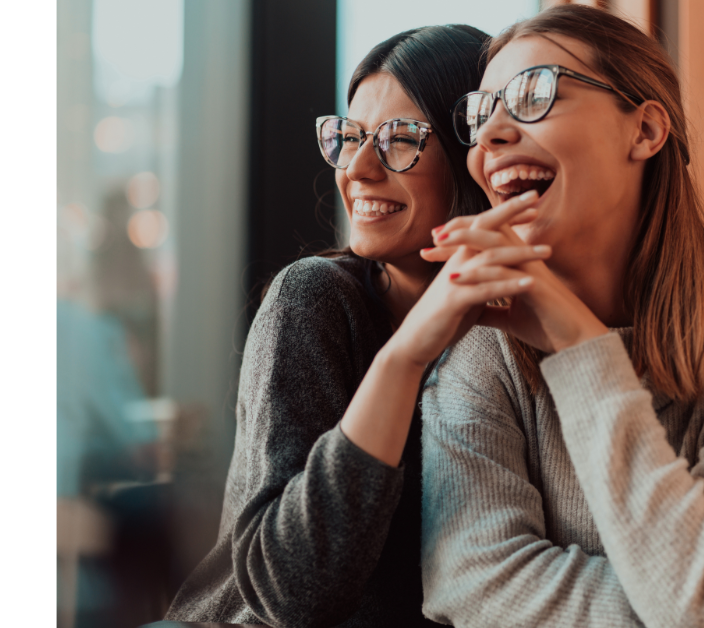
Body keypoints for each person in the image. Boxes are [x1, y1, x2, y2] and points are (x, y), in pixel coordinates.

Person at [419, 6, 704, 628]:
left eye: (533, 94)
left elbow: (701, 593)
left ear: (644, 131)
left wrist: (576, 337)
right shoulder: (484, 339)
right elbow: (472, 580)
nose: (490, 136)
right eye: (480, 114)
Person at [165, 25, 554, 626]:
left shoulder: (527, 326)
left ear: (472, 152)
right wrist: (405, 360)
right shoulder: (316, 298)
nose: (360, 167)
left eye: (401, 139)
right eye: (349, 138)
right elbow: (292, 594)